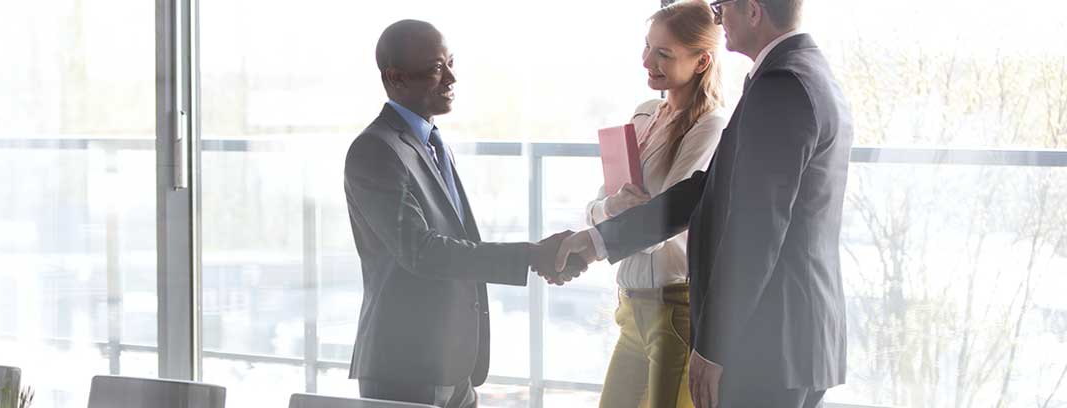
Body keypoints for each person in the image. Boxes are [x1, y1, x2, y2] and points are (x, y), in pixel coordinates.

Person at [555, 0, 853, 406]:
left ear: (752, 11)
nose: (718, 17)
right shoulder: (802, 72)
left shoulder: (782, 84)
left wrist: (714, 345)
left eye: (722, 6)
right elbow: (707, 188)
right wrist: (597, 241)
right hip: (786, 336)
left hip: (769, 341)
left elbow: (758, 230)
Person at [342, 19, 584, 408]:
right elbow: (423, 252)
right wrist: (531, 255)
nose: (452, 77)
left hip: (451, 365)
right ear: (396, 77)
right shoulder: (375, 150)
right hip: (407, 366)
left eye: (450, 62)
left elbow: (459, 244)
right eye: (438, 68)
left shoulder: (432, 143)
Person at [589, 1, 727, 407]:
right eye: (648, 47)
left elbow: (656, 231)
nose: (648, 60)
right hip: (630, 306)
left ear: (701, 61)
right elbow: (595, 209)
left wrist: (614, 214)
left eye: (664, 53)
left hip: (673, 310)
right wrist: (615, 209)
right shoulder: (645, 115)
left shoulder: (710, 126)